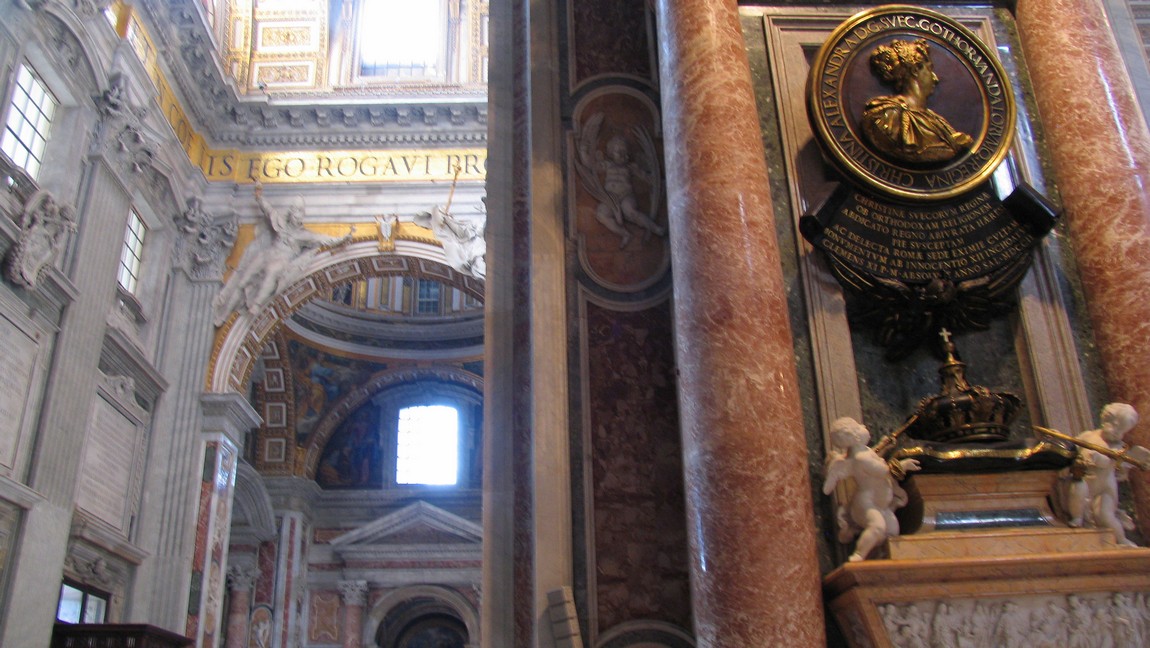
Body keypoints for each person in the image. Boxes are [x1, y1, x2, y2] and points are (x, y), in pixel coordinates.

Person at [212, 184, 354, 325]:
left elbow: (324, 239)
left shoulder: (303, 235)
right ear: (290, 213)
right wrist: (259, 197)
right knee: (242, 282)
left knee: (272, 273)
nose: (295, 216)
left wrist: (344, 238)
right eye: (293, 212)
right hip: (268, 254)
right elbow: (269, 210)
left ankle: (257, 303)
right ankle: (223, 315)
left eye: (298, 213)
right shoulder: (280, 223)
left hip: (281, 260)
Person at [823, 416, 920, 561]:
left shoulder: (862, 452)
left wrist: (884, 445)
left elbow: (873, 455)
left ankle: (879, 557)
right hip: (866, 504)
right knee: (877, 527)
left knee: (892, 531)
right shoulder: (861, 458)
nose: (863, 426)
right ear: (854, 435)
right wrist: (903, 465)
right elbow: (883, 471)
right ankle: (859, 555)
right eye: (858, 426)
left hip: (880, 503)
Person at [861, 39, 973, 164]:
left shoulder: (937, 121)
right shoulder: (886, 115)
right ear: (915, 70)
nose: (935, 78)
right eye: (929, 69)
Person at [1066, 402, 1145, 546]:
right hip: (1085, 480)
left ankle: (1121, 539)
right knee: (1077, 498)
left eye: (1122, 431)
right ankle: (1076, 519)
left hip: (1105, 488)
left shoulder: (1118, 448)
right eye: (1116, 427)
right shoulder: (1088, 436)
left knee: (1104, 515)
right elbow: (1072, 450)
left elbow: (1107, 462)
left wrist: (1097, 457)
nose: (1117, 433)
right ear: (1106, 420)